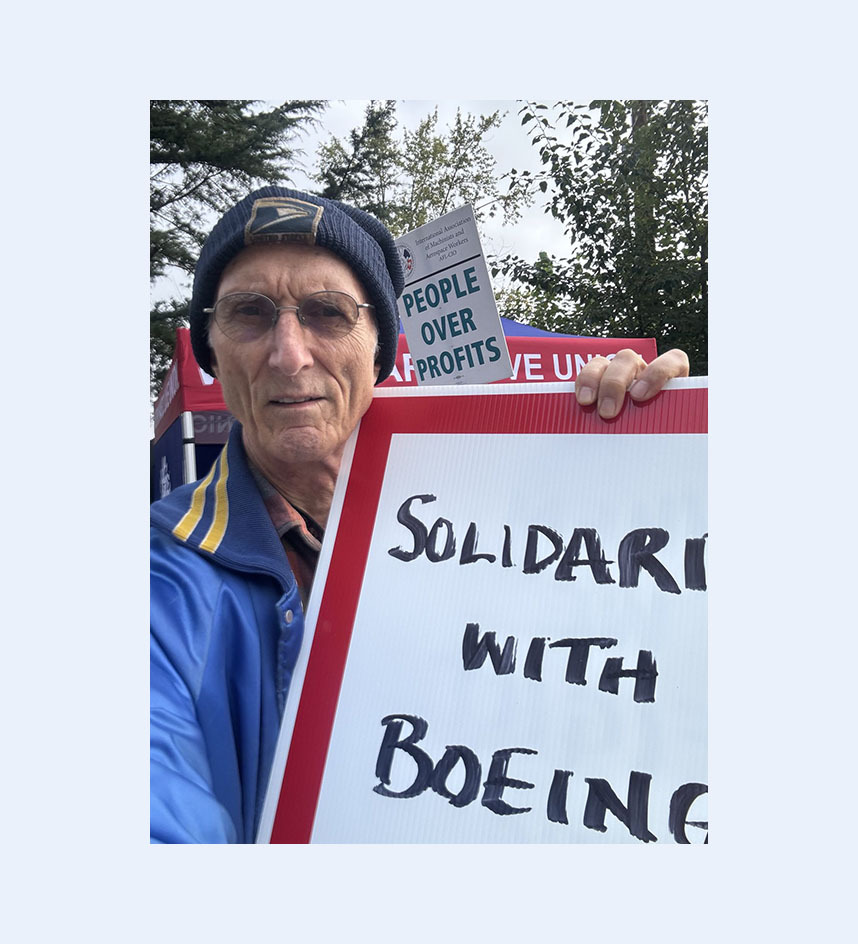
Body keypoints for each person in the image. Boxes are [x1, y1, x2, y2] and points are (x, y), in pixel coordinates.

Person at [150, 186, 690, 843]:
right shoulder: (157, 583)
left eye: (327, 312)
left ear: (379, 348)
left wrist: (630, 448)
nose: (289, 354)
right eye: (248, 313)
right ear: (211, 350)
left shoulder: (489, 509)